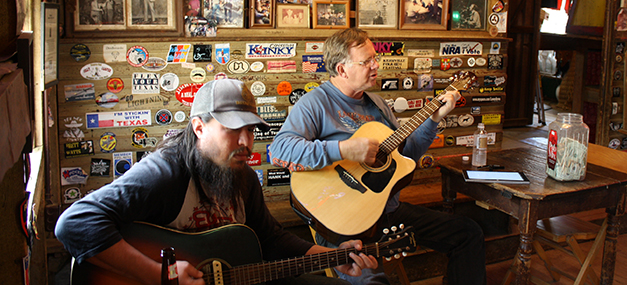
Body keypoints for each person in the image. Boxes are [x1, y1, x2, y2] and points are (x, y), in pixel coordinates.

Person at [55, 79, 378, 285]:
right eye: (233, 129)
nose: (246, 141)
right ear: (199, 127)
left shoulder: (244, 177)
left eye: (251, 129)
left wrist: (332, 255)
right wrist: (158, 275)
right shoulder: (164, 172)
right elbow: (74, 223)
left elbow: (269, 238)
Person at [270, 29, 487, 285]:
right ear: (342, 70)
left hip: (388, 212)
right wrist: (345, 150)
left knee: (468, 233)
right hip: (343, 220)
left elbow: (404, 159)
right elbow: (280, 150)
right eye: (366, 61)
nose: (376, 66)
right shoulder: (315, 103)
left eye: (375, 58)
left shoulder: (378, 105)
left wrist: (434, 120)